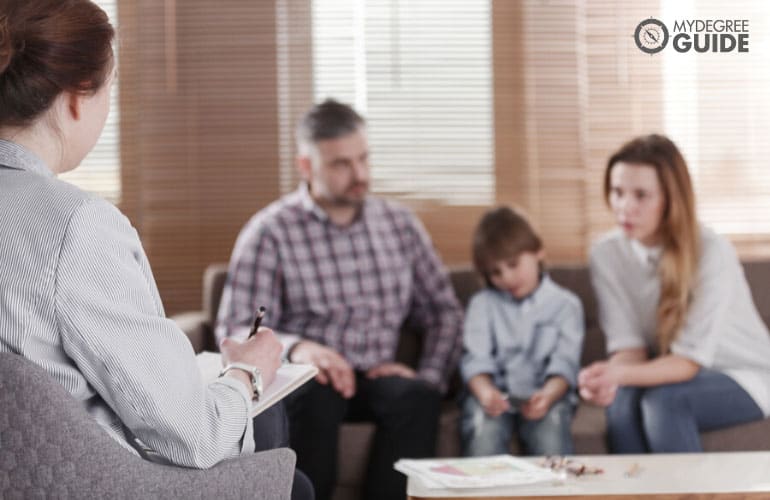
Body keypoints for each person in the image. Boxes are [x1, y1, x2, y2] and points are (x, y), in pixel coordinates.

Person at [0, 1, 311, 498]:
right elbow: (193, 437)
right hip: (95, 486)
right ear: (78, 96)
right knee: (280, 455)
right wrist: (248, 373)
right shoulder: (76, 227)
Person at [216, 98, 464, 500]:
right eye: (341, 164)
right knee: (318, 400)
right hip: (311, 379)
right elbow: (237, 328)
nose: (359, 174)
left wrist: (428, 375)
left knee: (417, 398)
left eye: (363, 159)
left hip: (379, 376)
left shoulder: (399, 226)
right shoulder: (269, 232)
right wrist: (301, 348)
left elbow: (443, 312)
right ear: (307, 166)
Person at [578, 134, 770, 453]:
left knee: (666, 403)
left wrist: (617, 373)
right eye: (617, 192)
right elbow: (630, 348)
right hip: (667, 369)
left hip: (743, 374)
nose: (626, 207)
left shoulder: (712, 251)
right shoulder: (606, 254)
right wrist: (607, 377)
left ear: (670, 199)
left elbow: (687, 364)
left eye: (641, 195)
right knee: (621, 406)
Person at [459, 206, 584, 457]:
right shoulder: (482, 304)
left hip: (547, 394)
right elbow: (475, 361)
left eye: (513, 264)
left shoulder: (565, 305)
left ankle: (554, 497)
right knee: (484, 430)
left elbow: (565, 364)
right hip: (494, 397)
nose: (506, 278)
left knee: (551, 430)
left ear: (538, 251)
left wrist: (548, 395)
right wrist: (486, 393)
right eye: (495, 272)